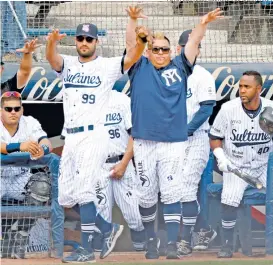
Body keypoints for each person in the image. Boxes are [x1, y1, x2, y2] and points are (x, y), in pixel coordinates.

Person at [46, 6, 149, 263]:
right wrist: (51, 43)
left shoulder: (106, 66)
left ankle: (86, 250)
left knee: (83, 192)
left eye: (88, 39)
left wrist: (139, 34)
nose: (83, 42)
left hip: (94, 136)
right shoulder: (68, 64)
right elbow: (52, 60)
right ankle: (107, 228)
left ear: (96, 42)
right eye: (80, 38)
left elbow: (132, 55)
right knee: (66, 196)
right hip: (71, 137)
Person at [127, 8, 223, 260]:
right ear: (148, 51)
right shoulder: (139, 67)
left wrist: (202, 25)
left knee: (172, 193)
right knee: (146, 196)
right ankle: (151, 242)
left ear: (171, 52)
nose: (160, 53)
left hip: (172, 143)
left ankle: (171, 244)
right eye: (156, 49)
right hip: (144, 141)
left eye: (165, 49)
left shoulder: (181, 68)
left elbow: (192, 43)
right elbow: (130, 45)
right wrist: (133, 22)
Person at [209, 70, 273, 258]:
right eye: (241, 86)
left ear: (259, 89)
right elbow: (214, 137)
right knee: (229, 198)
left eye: (247, 87)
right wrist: (220, 156)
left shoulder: (270, 108)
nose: (242, 90)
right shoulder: (228, 109)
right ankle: (227, 245)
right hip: (235, 167)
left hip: (263, 167)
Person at [0, 91, 58, 259]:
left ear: (22, 110)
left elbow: (46, 142)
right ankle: (5, 239)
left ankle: (20, 235)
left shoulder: (30, 122)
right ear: (1, 111)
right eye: (8, 108)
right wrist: (20, 146)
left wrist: (43, 149)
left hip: (20, 177)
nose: (13, 112)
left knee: (41, 186)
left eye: (16, 109)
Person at [176, 29, 217, 255]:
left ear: (198, 50)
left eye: (193, 45)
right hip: (174, 140)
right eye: (184, 45)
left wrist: (186, 129)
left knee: (187, 188)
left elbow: (207, 108)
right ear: (178, 48)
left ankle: (184, 240)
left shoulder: (202, 75)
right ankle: (204, 228)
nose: (188, 49)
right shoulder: (169, 74)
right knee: (176, 189)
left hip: (197, 137)